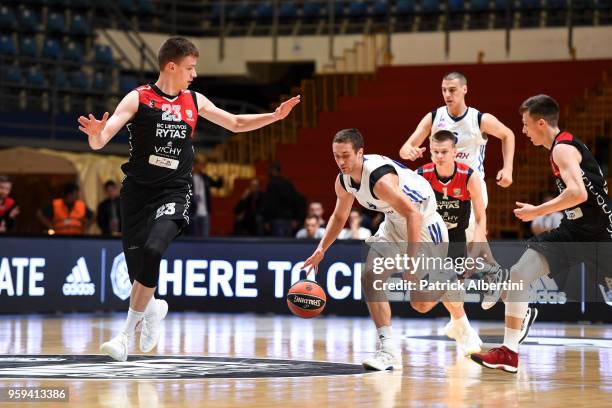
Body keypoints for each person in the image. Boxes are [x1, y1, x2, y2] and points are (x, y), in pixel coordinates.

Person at [77, 36, 300, 361]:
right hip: (137, 194)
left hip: (175, 191)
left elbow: (235, 123)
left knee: (154, 250)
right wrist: (96, 136)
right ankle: (152, 310)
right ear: (171, 66)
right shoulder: (138, 98)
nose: (194, 74)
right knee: (138, 269)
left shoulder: (194, 100)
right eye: (190, 68)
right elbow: (102, 139)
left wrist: (274, 117)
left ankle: (125, 337)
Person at [304, 128, 478, 371]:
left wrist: (411, 263)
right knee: (370, 276)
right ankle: (388, 350)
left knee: (421, 304)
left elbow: (413, 215)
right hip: (395, 224)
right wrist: (322, 248)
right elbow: (339, 215)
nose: (341, 162)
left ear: (360, 153)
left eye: (346, 155)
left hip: (425, 224)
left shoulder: (380, 180)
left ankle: (454, 297)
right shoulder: (343, 180)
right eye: (336, 156)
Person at [470, 94, 612, 373]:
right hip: (573, 230)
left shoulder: (562, 148)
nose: (522, 131)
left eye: (525, 124)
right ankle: (508, 353)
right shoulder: (557, 149)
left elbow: (578, 193)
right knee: (519, 275)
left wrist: (537, 211)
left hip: (600, 235)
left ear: (542, 123)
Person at [399, 71, 515, 243]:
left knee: (467, 240)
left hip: (470, 186)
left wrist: (508, 169)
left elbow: (508, 135)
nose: (447, 94)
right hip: (439, 187)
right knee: (436, 240)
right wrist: (410, 152)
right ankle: (482, 266)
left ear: (464, 89)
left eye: (452, 90)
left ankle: (481, 265)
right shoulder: (434, 117)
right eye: (443, 90)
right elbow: (404, 149)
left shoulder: (479, 119)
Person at [262, 161, 302, 237]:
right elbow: (296, 200)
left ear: (273, 171)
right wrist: (296, 218)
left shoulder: (271, 184)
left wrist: (266, 220)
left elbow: (269, 203)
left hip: (276, 220)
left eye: (269, 170)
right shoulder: (288, 183)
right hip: (289, 219)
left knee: (278, 245)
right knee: (287, 245)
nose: (268, 173)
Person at [188, 154, 223, 237]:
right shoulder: (188, 177)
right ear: (194, 164)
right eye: (200, 164)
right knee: (193, 238)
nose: (202, 166)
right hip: (193, 212)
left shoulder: (205, 177)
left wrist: (220, 177)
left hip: (205, 212)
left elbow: (218, 185)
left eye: (203, 164)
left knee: (205, 238)